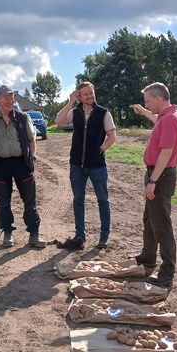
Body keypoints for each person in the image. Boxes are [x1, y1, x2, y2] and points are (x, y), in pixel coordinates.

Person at [129, 82, 177, 289]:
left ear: (159, 98)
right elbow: (156, 120)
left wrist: (152, 181)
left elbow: (166, 152)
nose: (147, 104)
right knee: (150, 220)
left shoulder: (170, 119)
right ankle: (147, 258)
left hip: (160, 177)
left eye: (148, 100)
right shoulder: (166, 116)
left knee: (162, 225)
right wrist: (144, 112)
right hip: (157, 175)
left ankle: (166, 273)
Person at [0, 85, 45, 248]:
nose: (10, 101)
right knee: (3, 202)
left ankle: (34, 234)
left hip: (22, 163)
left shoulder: (22, 117)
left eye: (12, 98)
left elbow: (31, 139)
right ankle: (7, 233)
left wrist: (32, 158)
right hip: (0, 164)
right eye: (7, 98)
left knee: (29, 200)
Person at [55, 81, 116, 250]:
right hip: (77, 165)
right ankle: (80, 235)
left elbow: (112, 136)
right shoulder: (75, 112)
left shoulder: (104, 113)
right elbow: (59, 122)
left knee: (103, 200)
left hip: (97, 165)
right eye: (86, 94)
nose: (90, 96)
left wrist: (101, 149)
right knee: (78, 200)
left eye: (91, 93)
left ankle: (104, 236)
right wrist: (69, 103)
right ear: (79, 96)